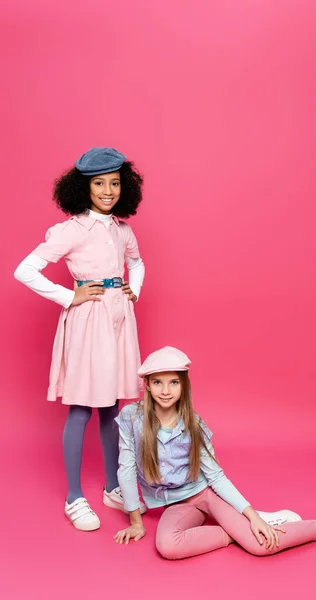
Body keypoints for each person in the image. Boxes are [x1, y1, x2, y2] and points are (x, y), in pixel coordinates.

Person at [114, 346, 316, 559]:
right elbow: (126, 469)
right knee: (167, 546)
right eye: (158, 382)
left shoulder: (194, 425)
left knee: (261, 546)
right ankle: (242, 528)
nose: (165, 390)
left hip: (207, 493)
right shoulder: (132, 418)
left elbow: (216, 477)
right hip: (178, 504)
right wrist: (135, 521)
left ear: (183, 385)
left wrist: (252, 518)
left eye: (173, 382)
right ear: (147, 385)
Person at [14, 147, 146, 531]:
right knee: (81, 409)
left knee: (112, 407)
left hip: (119, 319)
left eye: (115, 183)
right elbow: (26, 269)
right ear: (83, 187)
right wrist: (69, 296)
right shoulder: (71, 229)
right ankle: (74, 497)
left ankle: (111, 486)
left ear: (126, 186)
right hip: (88, 321)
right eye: (99, 184)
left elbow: (135, 262)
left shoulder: (122, 229)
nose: (108, 191)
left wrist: (132, 287)